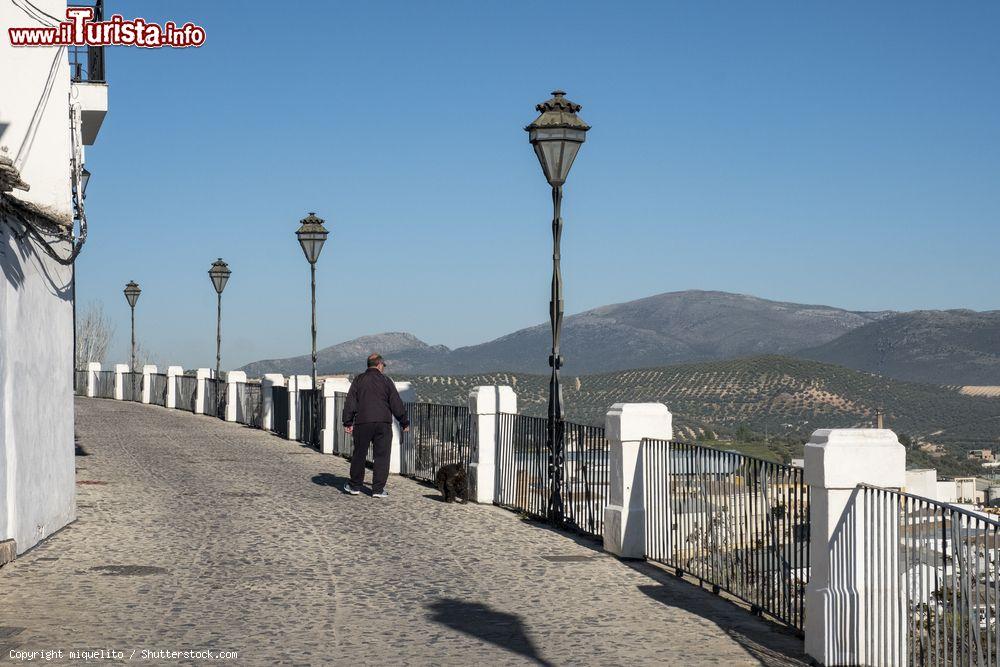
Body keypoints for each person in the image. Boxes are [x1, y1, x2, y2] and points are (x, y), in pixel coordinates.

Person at [341, 353, 409, 498]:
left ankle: (354, 486)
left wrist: (348, 421)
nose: (383, 368)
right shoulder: (386, 381)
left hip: (363, 422)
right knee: (382, 456)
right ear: (379, 365)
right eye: (383, 366)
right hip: (383, 423)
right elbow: (396, 403)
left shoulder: (359, 380)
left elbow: (351, 402)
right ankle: (378, 489)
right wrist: (404, 421)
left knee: (359, 454)